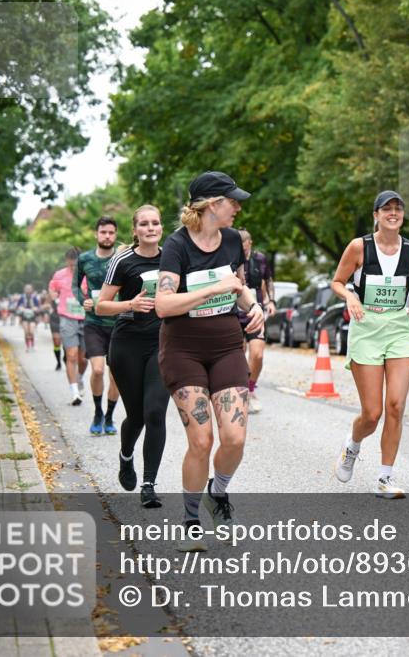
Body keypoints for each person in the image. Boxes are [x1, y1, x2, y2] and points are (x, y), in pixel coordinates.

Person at [155, 171, 263, 551]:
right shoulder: (177, 246)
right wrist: (211, 290)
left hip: (226, 346)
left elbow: (239, 285)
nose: (237, 207)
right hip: (183, 350)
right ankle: (190, 521)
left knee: (234, 437)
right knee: (201, 440)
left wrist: (254, 307)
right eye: (232, 201)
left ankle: (217, 493)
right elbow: (163, 305)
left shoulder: (232, 240)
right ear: (211, 205)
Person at [330, 190, 409, 499]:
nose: (393, 212)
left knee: (396, 406)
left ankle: (385, 478)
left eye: (398, 208)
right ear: (376, 215)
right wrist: (350, 296)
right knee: (372, 413)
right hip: (366, 328)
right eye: (386, 208)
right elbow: (337, 282)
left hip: (399, 329)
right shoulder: (359, 247)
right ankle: (352, 445)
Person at [97, 205, 168, 509]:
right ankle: (126, 456)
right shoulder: (123, 260)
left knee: (154, 413)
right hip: (126, 343)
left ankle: (149, 484)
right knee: (136, 416)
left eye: (155, 223)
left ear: (161, 227)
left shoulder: (173, 257)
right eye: (144, 224)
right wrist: (131, 304)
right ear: (135, 230)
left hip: (162, 343)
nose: (150, 228)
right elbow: (101, 305)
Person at [74, 217, 122, 435]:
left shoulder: (122, 258)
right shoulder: (84, 259)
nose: (107, 236)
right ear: (96, 234)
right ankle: (97, 412)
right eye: (103, 232)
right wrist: (82, 299)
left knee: (116, 376)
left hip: (119, 324)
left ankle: (110, 416)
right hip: (94, 322)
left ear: (116, 234)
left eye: (111, 232)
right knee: (98, 369)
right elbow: (75, 286)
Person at [237, 229, 276, 414]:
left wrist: (271, 301)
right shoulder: (229, 257)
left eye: (245, 249)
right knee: (238, 354)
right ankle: (238, 389)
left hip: (255, 312)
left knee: (257, 354)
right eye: (240, 249)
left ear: (250, 244)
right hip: (234, 314)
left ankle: (250, 389)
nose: (243, 253)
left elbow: (268, 280)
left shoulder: (259, 259)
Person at [50, 248, 88, 404]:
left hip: (85, 319)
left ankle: (79, 378)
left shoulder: (88, 275)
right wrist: (56, 299)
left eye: (76, 265)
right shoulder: (59, 275)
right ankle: (75, 393)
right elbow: (52, 289)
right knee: (71, 355)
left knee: (83, 358)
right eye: (70, 264)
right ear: (67, 261)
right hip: (67, 318)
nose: (73, 268)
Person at [15, 284, 41, 351]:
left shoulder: (34, 297)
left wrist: (35, 308)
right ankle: (27, 347)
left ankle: (32, 346)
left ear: (32, 290)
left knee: (31, 331)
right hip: (24, 316)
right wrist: (21, 308)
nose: (28, 290)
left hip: (32, 316)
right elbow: (17, 306)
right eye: (27, 289)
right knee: (26, 332)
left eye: (29, 289)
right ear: (24, 290)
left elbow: (38, 307)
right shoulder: (22, 297)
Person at [42, 290, 63, 370]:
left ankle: (66, 358)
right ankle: (58, 362)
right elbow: (45, 305)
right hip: (54, 319)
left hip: (66, 318)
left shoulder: (69, 290)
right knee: (57, 342)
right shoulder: (52, 293)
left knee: (66, 343)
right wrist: (47, 310)